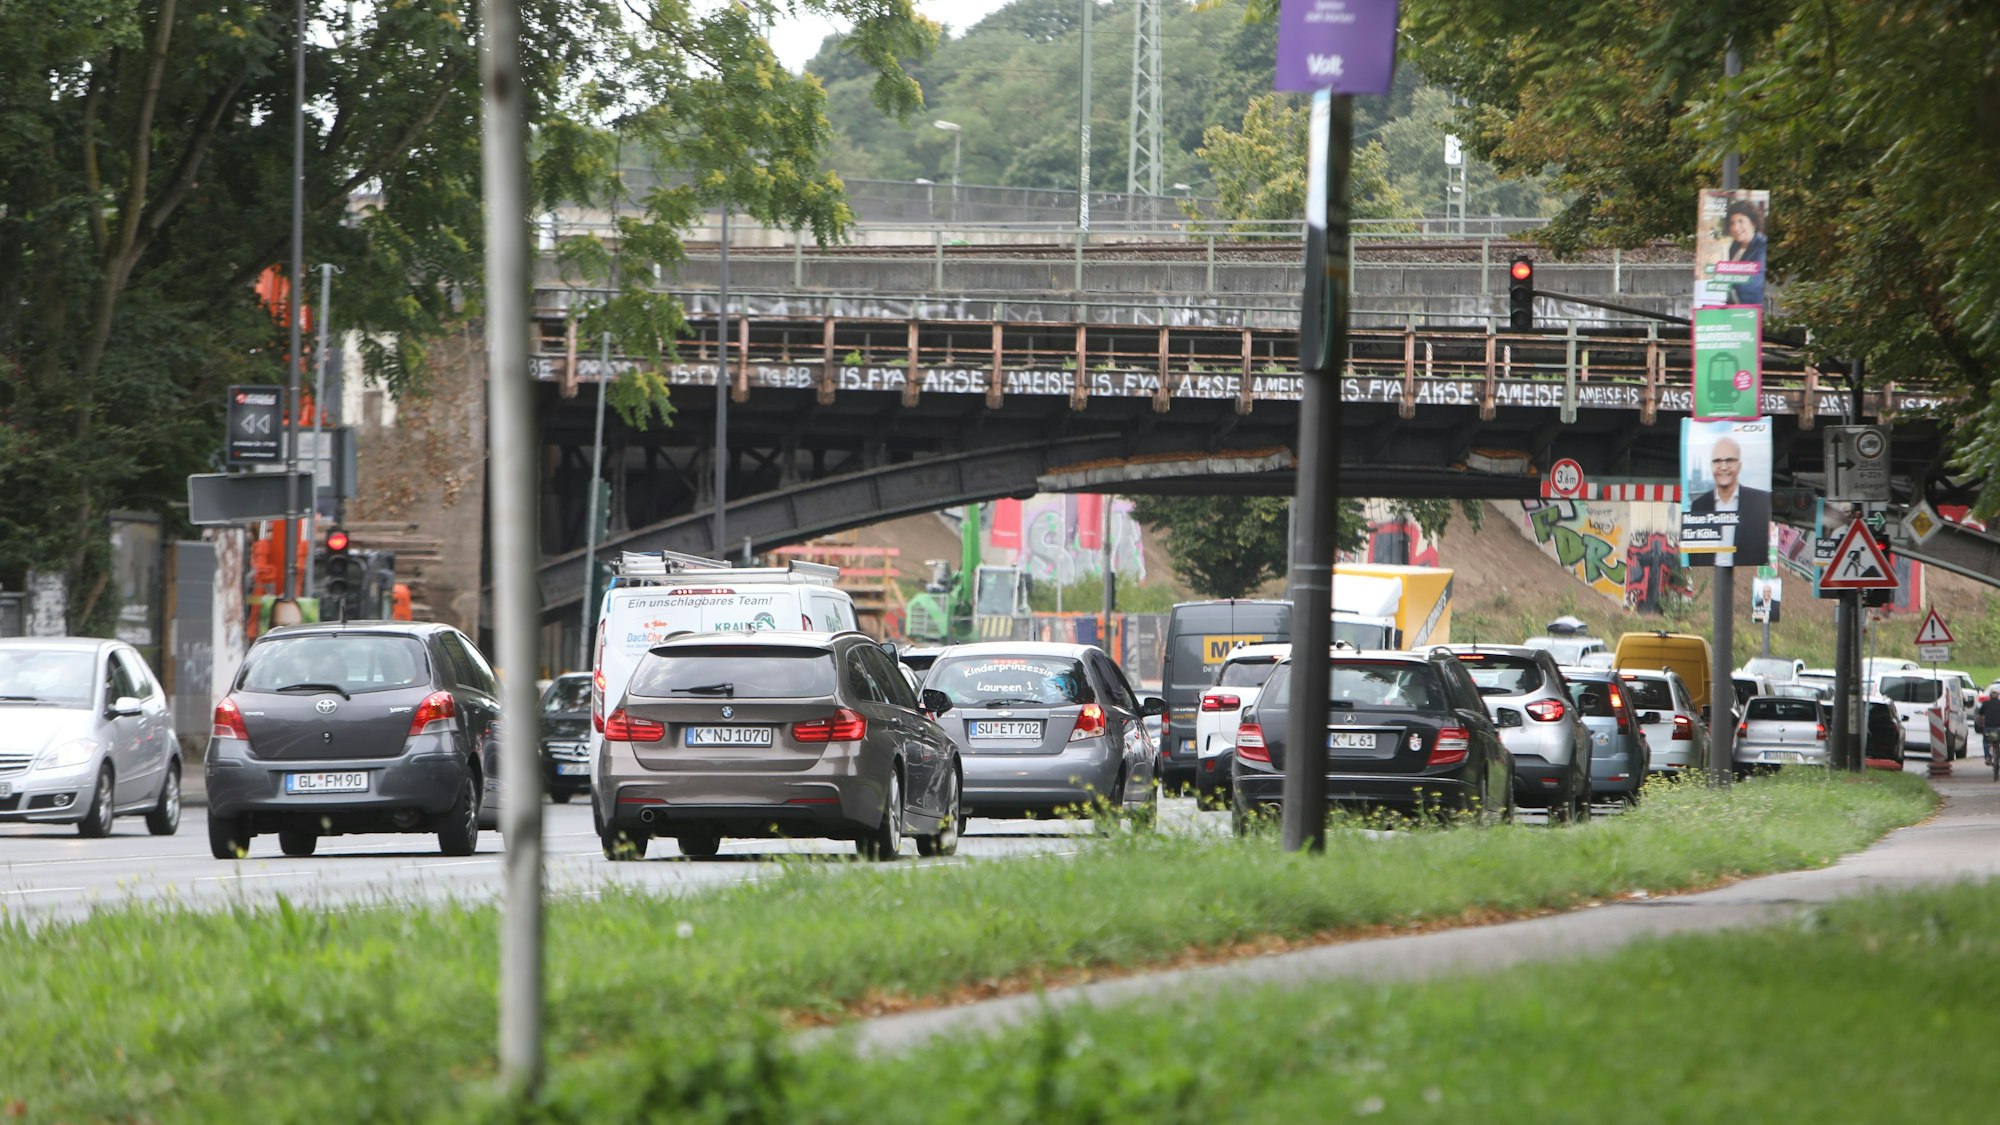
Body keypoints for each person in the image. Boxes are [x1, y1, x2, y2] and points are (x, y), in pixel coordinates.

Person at [1688, 435, 1770, 565]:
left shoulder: (1760, 502)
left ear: (1739, 465)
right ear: (1711, 466)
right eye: (1717, 461)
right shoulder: (1699, 506)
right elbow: (1694, 555)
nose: (1724, 467)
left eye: (1729, 460)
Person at [1723, 200, 1767, 307]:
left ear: (1753, 223)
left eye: (1740, 221)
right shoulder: (1735, 246)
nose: (1735, 228)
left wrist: (1724, 280)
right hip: (1733, 305)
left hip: (1750, 309)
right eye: (1732, 223)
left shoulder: (1762, 246)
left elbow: (1751, 283)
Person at [1980, 691, 2000, 764]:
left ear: (1990, 697)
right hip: (1999, 728)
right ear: (1998, 696)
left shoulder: (1985, 704)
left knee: (1985, 741)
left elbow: (1980, 715)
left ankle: (1987, 757)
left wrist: (1981, 723)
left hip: (1988, 728)